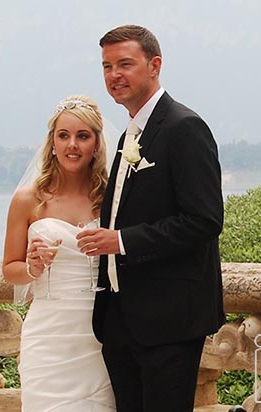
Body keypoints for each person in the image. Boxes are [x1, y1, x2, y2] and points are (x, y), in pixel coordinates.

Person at [76, 25, 225, 412]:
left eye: (125, 64)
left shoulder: (183, 127)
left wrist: (122, 241)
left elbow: (204, 220)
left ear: (154, 65)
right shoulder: (130, 135)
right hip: (121, 320)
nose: (114, 76)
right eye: (107, 66)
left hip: (169, 320)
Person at [2, 95, 116, 411]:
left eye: (82, 136)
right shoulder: (27, 199)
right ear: (52, 142)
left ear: (96, 143)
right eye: (63, 135)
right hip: (48, 335)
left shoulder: (109, 198)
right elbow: (10, 268)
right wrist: (32, 267)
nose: (72, 145)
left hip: (98, 334)